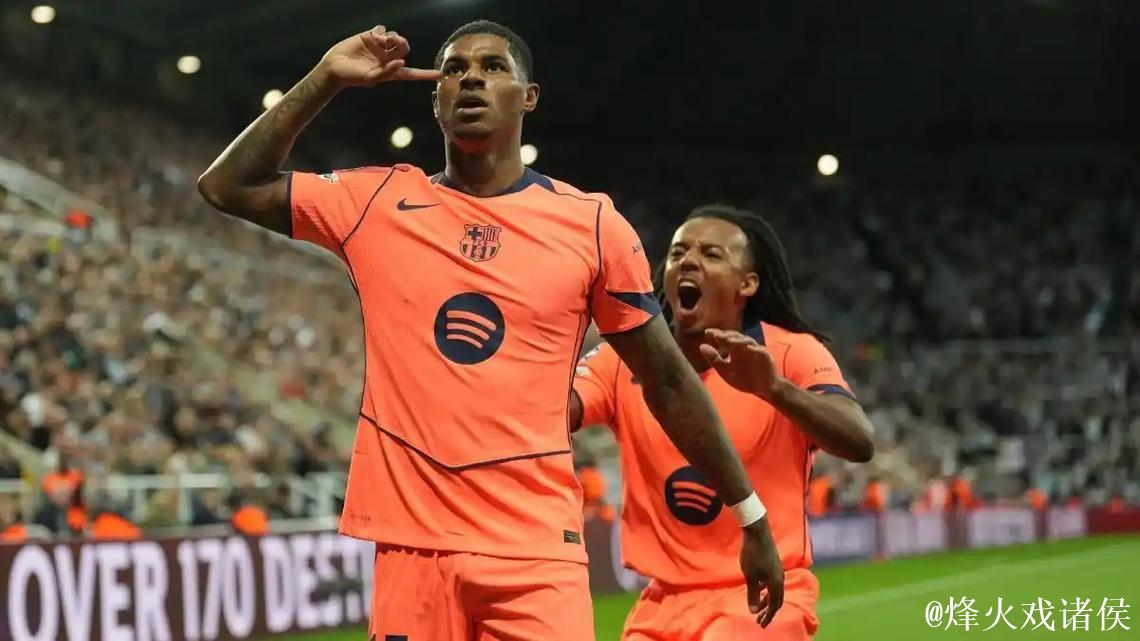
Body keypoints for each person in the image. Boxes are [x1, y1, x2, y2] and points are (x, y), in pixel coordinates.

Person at [197, 21, 784, 641]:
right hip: (412, 548)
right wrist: (326, 78)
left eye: (493, 67)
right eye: (454, 69)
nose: (471, 78)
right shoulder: (375, 202)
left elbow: (667, 382)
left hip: (536, 548)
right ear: (436, 101)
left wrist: (750, 516)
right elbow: (227, 185)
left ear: (529, 96)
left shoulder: (592, 225)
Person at [572, 205, 875, 640]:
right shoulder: (623, 361)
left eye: (711, 254)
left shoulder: (789, 353)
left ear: (747, 284)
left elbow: (859, 440)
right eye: (678, 253)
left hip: (762, 597)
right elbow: (559, 408)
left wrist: (776, 389)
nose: (688, 261)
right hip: (661, 605)